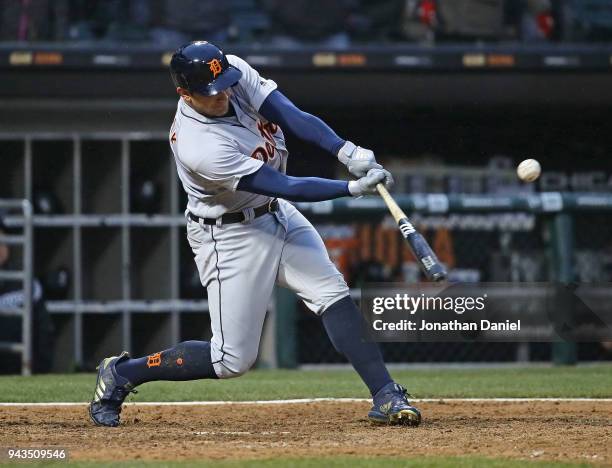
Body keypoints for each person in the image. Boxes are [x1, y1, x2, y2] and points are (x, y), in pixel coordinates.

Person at [89, 41, 421, 428]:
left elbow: (291, 116)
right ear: (184, 93)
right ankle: (125, 372)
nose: (224, 94)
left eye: (225, 83)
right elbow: (283, 184)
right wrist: (349, 189)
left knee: (332, 293)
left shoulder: (230, 72)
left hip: (276, 215)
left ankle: (385, 393)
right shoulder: (199, 146)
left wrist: (346, 151)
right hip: (230, 236)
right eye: (211, 93)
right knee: (229, 360)